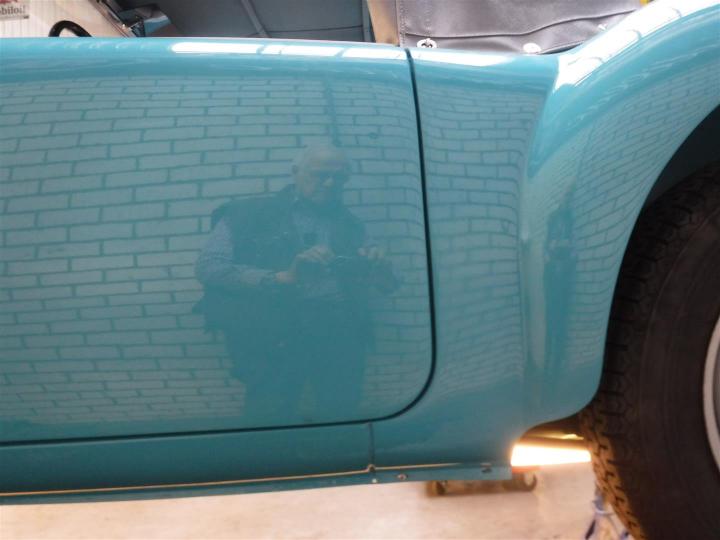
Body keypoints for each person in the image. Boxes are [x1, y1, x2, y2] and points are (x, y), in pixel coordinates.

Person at [195, 144, 397, 422]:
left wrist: (381, 269)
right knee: (269, 414)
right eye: (320, 174)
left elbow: (387, 286)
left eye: (339, 177)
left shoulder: (352, 224)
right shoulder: (247, 213)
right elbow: (210, 268)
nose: (330, 184)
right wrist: (281, 278)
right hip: (272, 331)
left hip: (340, 331)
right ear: (295, 172)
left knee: (342, 411)